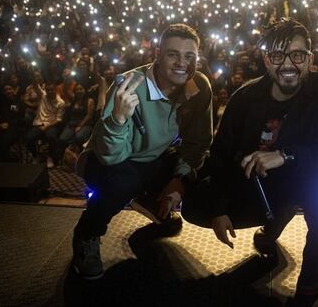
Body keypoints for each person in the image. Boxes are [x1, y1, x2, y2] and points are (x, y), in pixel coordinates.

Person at [182, 18, 318, 298]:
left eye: (297, 55)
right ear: (266, 60)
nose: (288, 65)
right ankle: (278, 215)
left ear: (310, 59)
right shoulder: (245, 97)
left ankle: (316, 247)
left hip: (308, 181)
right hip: (261, 186)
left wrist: (285, 155)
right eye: (278, 56)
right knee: (195, 203)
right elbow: (221, 154)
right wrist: (219, 208)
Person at [71, 24, 213, 281]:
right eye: (173, 54)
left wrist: (178, 178)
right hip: (108, 160)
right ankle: (87, 233)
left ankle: (149, 197)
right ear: (157, 55)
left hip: (154, 157)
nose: (182, 63)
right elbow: (110, 156)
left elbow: (198, 142)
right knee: (124, 181)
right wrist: (118, 119)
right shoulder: (129, 86)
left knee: (206, 170)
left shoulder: (198, 87)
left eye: (189, 56)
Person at [25, 78, 66, 169]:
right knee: (28, 138)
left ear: (55, 89)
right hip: (38, 123)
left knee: (51, 137)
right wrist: (31, 71)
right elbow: (35, 84)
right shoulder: (43, 96)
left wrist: (46, 126)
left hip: (51, 124)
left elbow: (59, 120)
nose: (50, 91)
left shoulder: (61, 103)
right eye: (48, 90)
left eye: (52, 89)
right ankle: (37, 155)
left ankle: (50, 157)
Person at [0, 84, 25, 162]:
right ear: (3, 92)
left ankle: (4, 159)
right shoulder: (1, 102)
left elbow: (21, 117)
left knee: (6, 138)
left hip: (14, 125)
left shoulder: (19, 102)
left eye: (10, 89)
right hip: (1, 124)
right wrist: (0, 124)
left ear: (13, 90)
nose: (8, 91)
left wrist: (9, 124)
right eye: (6, 90)